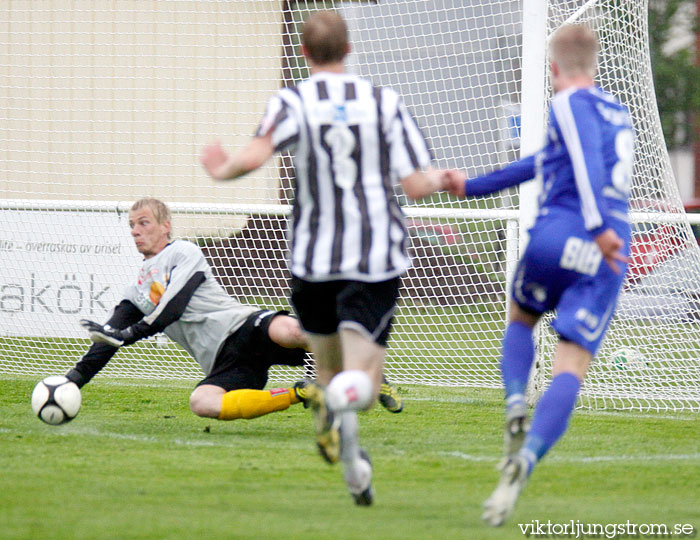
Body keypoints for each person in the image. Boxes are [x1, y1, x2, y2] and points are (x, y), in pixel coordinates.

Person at [200, 10, 454, 505]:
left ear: (303, 53)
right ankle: (344, 424)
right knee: (362, 378)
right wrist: (446, 178)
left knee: (329, 374)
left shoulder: (292, 99)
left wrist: (221, 168)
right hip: (373, 257)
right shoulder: (383, 102)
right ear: (349, 49)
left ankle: (354, 464)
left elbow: (254, 156)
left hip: (313, 261)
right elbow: (417, 186)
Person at [446, 24, 634, 526]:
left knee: (521, 318)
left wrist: (594, 226)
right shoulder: (619, 113)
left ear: (554, 69)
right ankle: (526, 460)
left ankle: (513, 402)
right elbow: (544, 161)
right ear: (595, 64)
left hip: (569, 233)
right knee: (570, 369)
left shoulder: (569, 104)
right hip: (611, 252)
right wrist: (474, 186)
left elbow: (587, 164)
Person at [68, 198, 403, 421]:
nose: (136, 231)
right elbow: (106, 341)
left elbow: (174, 304)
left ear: (166, 225)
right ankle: (302, 392)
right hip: (222, 361)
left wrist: (130, 333)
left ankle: (369, 373)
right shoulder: (137, 293)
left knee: (296, 331)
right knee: (202, 403)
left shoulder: (184, 252)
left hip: (243, 326)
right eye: (132, 225)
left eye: (143, 223)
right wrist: (71, 382)